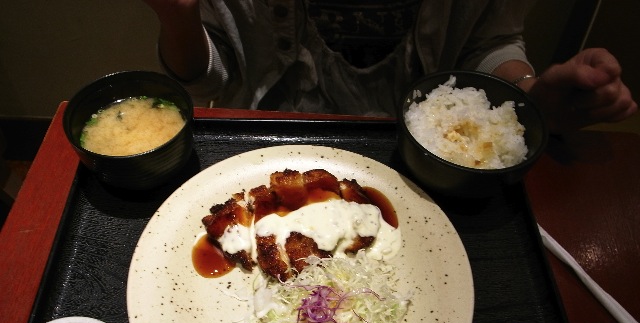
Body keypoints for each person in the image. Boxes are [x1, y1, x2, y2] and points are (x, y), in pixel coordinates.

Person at [141, 0, 637, 133]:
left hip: (426, 152)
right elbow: (210, 78)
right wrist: (177, 18)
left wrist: (526, 95)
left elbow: (490, 42)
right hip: (265, 135)